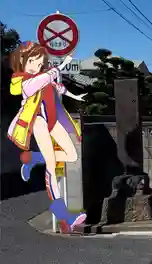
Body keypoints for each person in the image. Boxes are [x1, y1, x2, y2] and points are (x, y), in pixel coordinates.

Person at [8, 41, 88, 233]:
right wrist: (52, 71)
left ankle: (34, 158)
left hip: (53, 121)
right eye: (32, 62)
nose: (36, 66)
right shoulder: (19, 80)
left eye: (39, 62)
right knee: (51, 165)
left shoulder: (45, 75)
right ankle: (64, 216)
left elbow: (58, 87)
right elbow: (30, 87)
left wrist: (75, 96)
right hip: (37, 121)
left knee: (72, 156)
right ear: (22, 61)